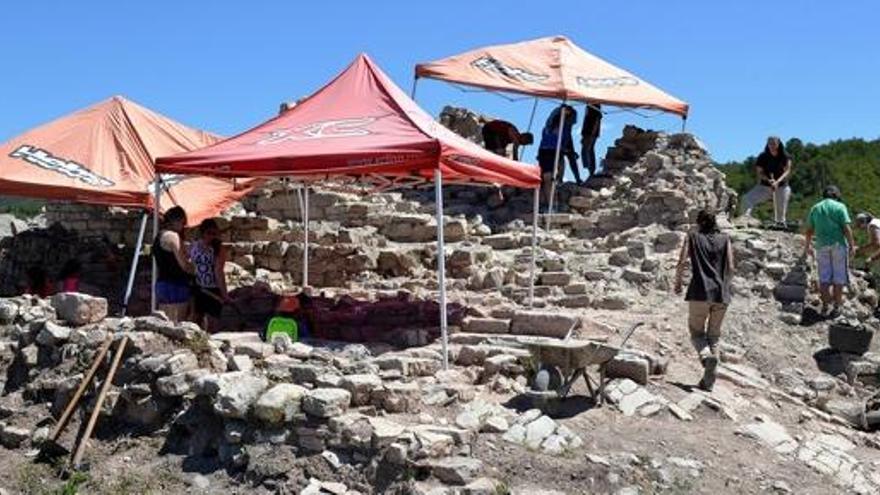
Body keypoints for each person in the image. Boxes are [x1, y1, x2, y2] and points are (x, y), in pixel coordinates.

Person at [674, 209, 734, 392]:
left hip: (700, 291)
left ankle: (705, 355)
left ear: (699, 223)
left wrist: (677, 282)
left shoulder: (692, 237)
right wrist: (725, 287)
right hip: (721, 294)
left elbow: (682, 261)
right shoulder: (725, 238)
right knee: (714, 336)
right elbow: (731, 266)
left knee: (696, 333)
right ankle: (709, 382)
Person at [804, 185, 856, 318]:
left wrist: (807, 246)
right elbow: (846, 228)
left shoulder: (815, 208)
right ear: (836, 195)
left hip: (821, 246)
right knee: (839, 278)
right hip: (838, 245)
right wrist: (852, 245)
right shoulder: (840, 207)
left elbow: (809, 230)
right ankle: (837, 307)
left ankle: (825, 307)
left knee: (824, 278)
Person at [153, 206, 193, 323]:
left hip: (162, 284)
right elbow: (184, 265)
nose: (183, 227)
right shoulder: (172, 236)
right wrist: (195, 270)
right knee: (177, 324)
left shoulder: (159, 236)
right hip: (176, 284)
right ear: (177, 220)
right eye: (183, 223)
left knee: (163, 324)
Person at [741, 136, 793, 224]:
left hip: (781, 186)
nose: (771, 145)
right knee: (746, 198)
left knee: (780, 210)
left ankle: (780, 223)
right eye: (769, 143)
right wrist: (769, 180)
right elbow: (760, 172)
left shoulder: (785, 156)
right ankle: (745, 219)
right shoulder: (763, 156)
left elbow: (787, 171)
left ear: (778, 144)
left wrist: (777, 182)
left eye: (773, 143)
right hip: (764, 186)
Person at [189, 218, 229, 332]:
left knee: (213, 322)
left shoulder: (218, 249)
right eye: (209, 233)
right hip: (197, 287)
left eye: (215, 233)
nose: (212, 236)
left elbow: (219, 271)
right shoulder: (195, 246)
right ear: (202, 233)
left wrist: (224, 294)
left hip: (213, 289)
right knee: (196, 319)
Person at [538, 105, 580, 205]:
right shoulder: (560, 126)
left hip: (546, 151)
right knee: (548, 178)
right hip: (550, 152)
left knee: (547, 178)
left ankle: (546, 202)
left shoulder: (551, 125)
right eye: (574, 118)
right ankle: (550, 203)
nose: (575, 121)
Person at [580, 104, 602, 178]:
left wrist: (592, 134)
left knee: (587, 150)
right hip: (588, 133)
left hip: (590, 133)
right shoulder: (590, 107)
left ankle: (591, 170)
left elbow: (595, 121)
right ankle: (590, 170)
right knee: (588, 150)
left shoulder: (594, 109)